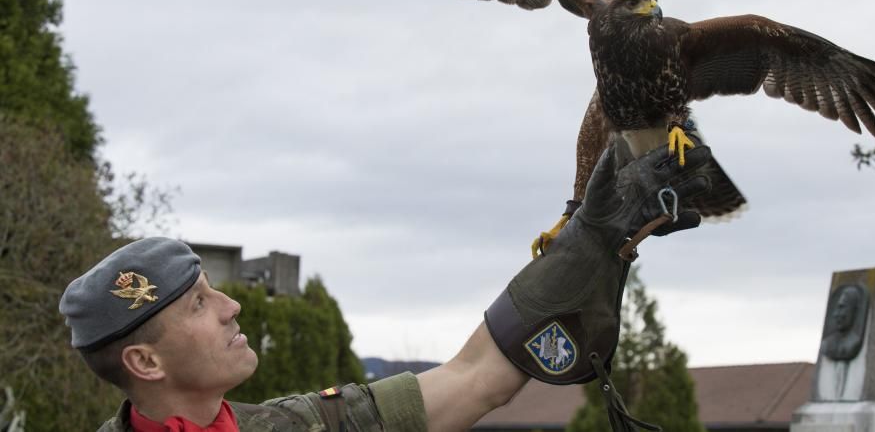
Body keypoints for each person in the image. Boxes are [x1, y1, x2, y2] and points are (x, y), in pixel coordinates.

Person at [61, 137, 716, 431]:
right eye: (201, 302)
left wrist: (587, 237)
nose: (233, 305)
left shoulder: (305, 425)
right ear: (144, 359)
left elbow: (476, 377)